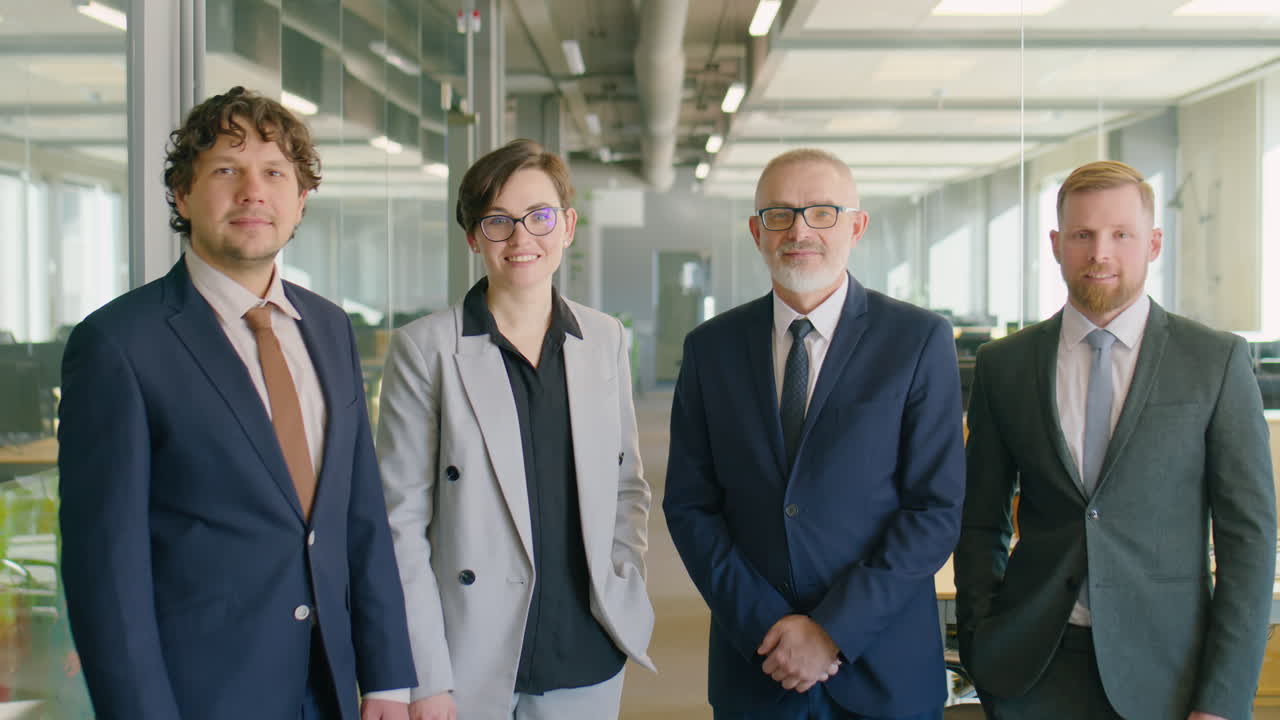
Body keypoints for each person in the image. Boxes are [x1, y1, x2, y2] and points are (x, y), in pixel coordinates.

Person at [57, 86, 416, 720]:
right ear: (182, 194)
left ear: (300, 201)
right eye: (227, 169)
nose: (253, 191)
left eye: (275, 172)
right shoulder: (118, 345)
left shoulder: (329, 328)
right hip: (200, 695)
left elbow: (360, 514)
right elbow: (106, 572)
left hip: (329, 683)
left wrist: (387, 676)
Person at [954, 160, 1276, 720]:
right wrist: (983, 643)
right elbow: (980, 520)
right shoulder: (1005, 365)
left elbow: (1248, 540)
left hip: (1171, 675)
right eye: (1082, 235)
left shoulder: (1214, 361)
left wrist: (1223, 697)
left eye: (1120, 235)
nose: (1100, 253)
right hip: (1033, 670)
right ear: (1056, 245)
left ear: (1152, 243)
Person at [663, 147, 965, 720]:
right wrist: (768, 625)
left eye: (822, 212)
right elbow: (690, 506)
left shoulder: (918, 340)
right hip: (759, 665)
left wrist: (833, 630)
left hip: (882, 665)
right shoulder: (711, 349)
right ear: (756, 231)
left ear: (857, 225)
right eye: (779, 214)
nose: (800, 229)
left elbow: (935, 509)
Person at [376, 138, 654, 720]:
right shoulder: (426, 348)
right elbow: (399, 524)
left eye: (540, 216)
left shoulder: (603, 339)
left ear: (568, 226)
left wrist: (623, 578)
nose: (522, 237)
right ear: (474, 237)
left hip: (587, 643)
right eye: (498, 221)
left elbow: (627, 482)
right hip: (468, 655)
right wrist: (422, 675)